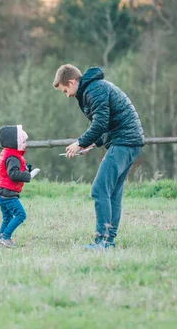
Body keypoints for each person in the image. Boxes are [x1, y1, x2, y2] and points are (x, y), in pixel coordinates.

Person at [53, 64, 144, 249]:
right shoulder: (94, 88)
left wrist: (79, 142)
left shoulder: (94, 89)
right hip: (127, 141)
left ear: (71, 82)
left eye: (65, 90)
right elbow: (108, 122)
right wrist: (91, 144)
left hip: (123, 141)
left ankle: (102, 241)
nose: (67, 95)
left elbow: (100, 123)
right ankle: (108, 242)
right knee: (112, 193)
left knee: (99, 189)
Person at [0, 125, 40, 248]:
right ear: (15, 143)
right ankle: (5, 237)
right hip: (7, 192)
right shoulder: (13, 157)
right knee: (20, 215)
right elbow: (13, 174)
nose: (26, 144)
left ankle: (1, 238)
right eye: (23, 142)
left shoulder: (9, 154)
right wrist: (27, 176)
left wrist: (25, 169)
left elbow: (11, 170)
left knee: (7, 216)